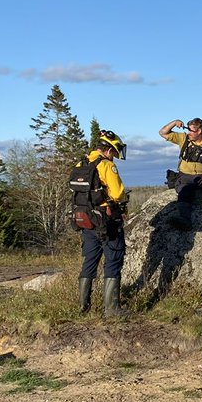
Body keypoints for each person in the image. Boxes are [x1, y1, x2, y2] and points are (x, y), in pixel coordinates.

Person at [76, 129, 129, 316]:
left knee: (89, 260)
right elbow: (117, 193)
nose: (114, 156)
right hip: (107, 219)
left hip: (87, 219)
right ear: (108, 150)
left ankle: (83, 307)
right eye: (114, 152)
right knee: (113, 258)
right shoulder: (106, 165)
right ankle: (112, 308)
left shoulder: (82, 162)